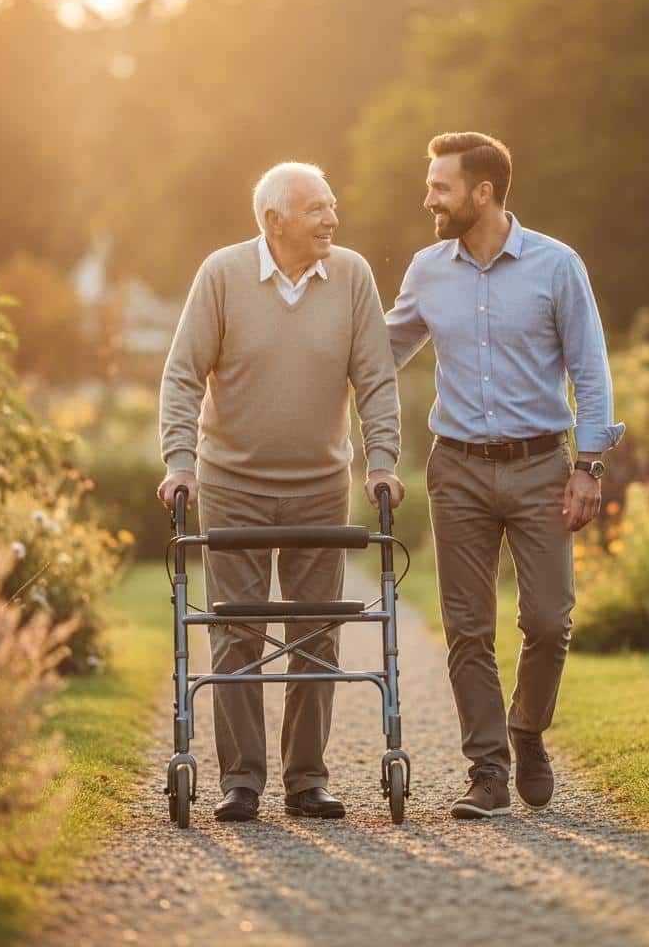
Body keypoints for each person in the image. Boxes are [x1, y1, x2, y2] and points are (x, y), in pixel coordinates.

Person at [386, 132, 624, 819]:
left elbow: (590, 370)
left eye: (441, 187)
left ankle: (526, 726)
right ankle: (487, 770)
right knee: (467, 627)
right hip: (456, 468)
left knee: (549, 620)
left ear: (482, 192)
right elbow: (381, 351)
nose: (429, 199)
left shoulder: (556, 265)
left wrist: (588, 465)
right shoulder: (428, 270)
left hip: (541, 466)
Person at [158, 161, 404, 822]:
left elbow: (376, 377)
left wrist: (382, 462)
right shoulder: (223, 274)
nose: (333, 219)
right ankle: (241, 780)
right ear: (275, 220)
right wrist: (180, 462)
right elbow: (183, 375)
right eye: (318, 208)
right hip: (232, 484)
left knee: (316, 631)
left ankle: (306, 780)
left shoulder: (351, 276)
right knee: (237, 632)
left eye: (332, 206)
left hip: (320, 485)